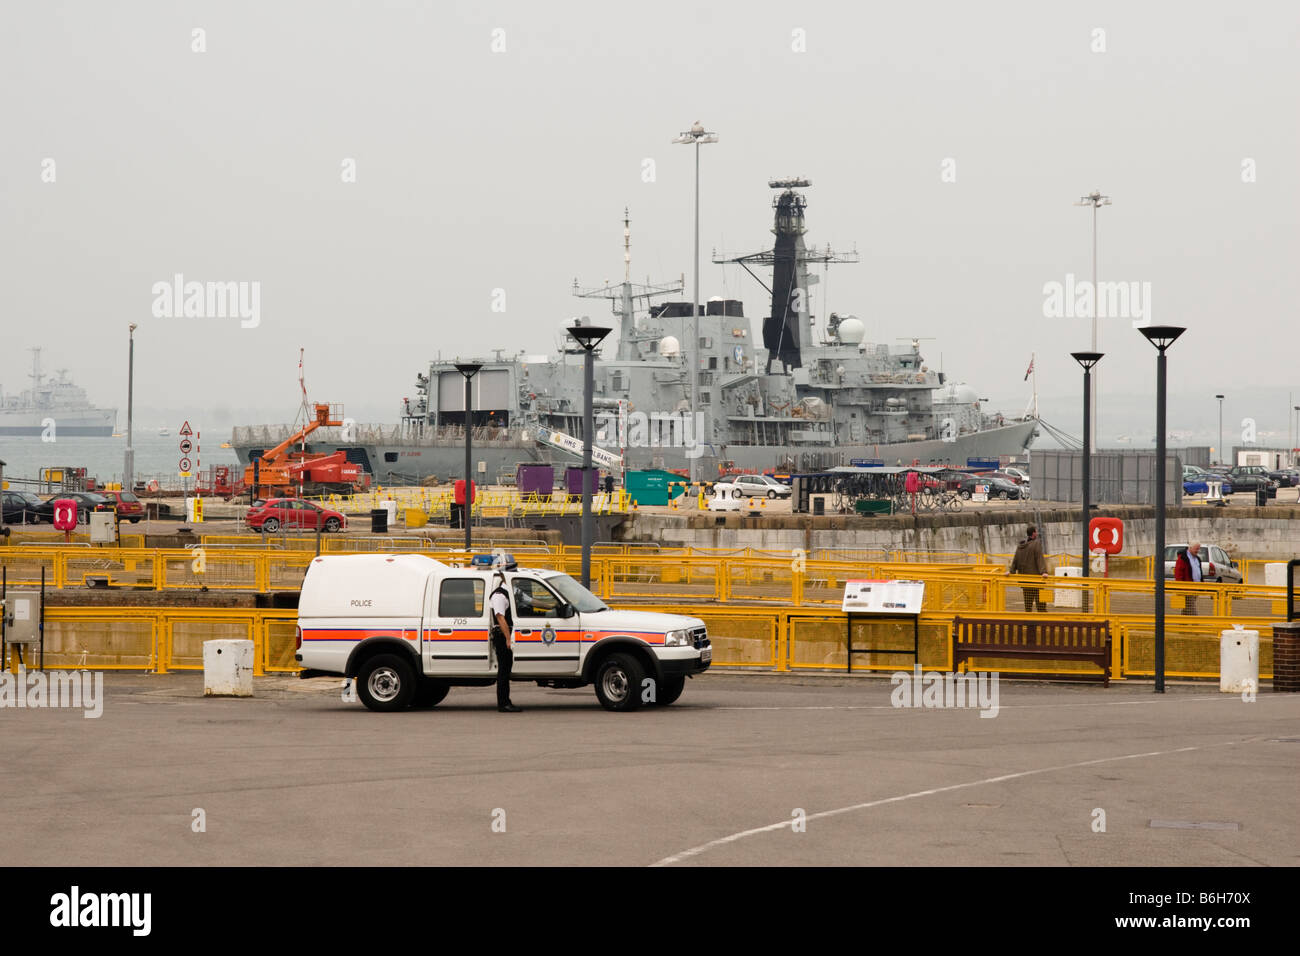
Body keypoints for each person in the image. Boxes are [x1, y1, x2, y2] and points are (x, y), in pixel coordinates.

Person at [488, 571, 522, 712]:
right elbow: (500, 618)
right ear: (505, 577)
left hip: (507, 634)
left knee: (507, 668)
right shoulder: (499, 595)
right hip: (502, 635)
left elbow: (530, 601)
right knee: (504, 670)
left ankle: (505, 701)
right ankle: (503, 703)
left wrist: (549, 606)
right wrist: (508, 638)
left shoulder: (513, 591)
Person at [1010, 525, 1049, 612]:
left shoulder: (1020, 546)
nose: (1037, 533)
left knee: (1028, 606)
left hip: (1025, 580)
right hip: (1037, 580)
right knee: (1041, 605)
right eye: (1036, 531)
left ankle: (1029, 623)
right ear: (1034, 533)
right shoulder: (1036, 544)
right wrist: (1043, 572)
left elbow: (1015, 560)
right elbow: (1040, 559)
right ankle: (1043, 623)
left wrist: (1011, 571)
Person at [1173, 541, 1203, 615]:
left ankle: (1182, 624)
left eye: (1199, 549)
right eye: (1196, 549)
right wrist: (1181, 588)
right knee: (1192, 609)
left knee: (1187, 608)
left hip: (1196, 588)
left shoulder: (1197, 559)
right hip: (1187, 588)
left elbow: (1199, 571)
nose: (1198, 551)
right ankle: (1195, 624)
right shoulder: (1183, 558)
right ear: (1190, 548)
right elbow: (1178, 573)